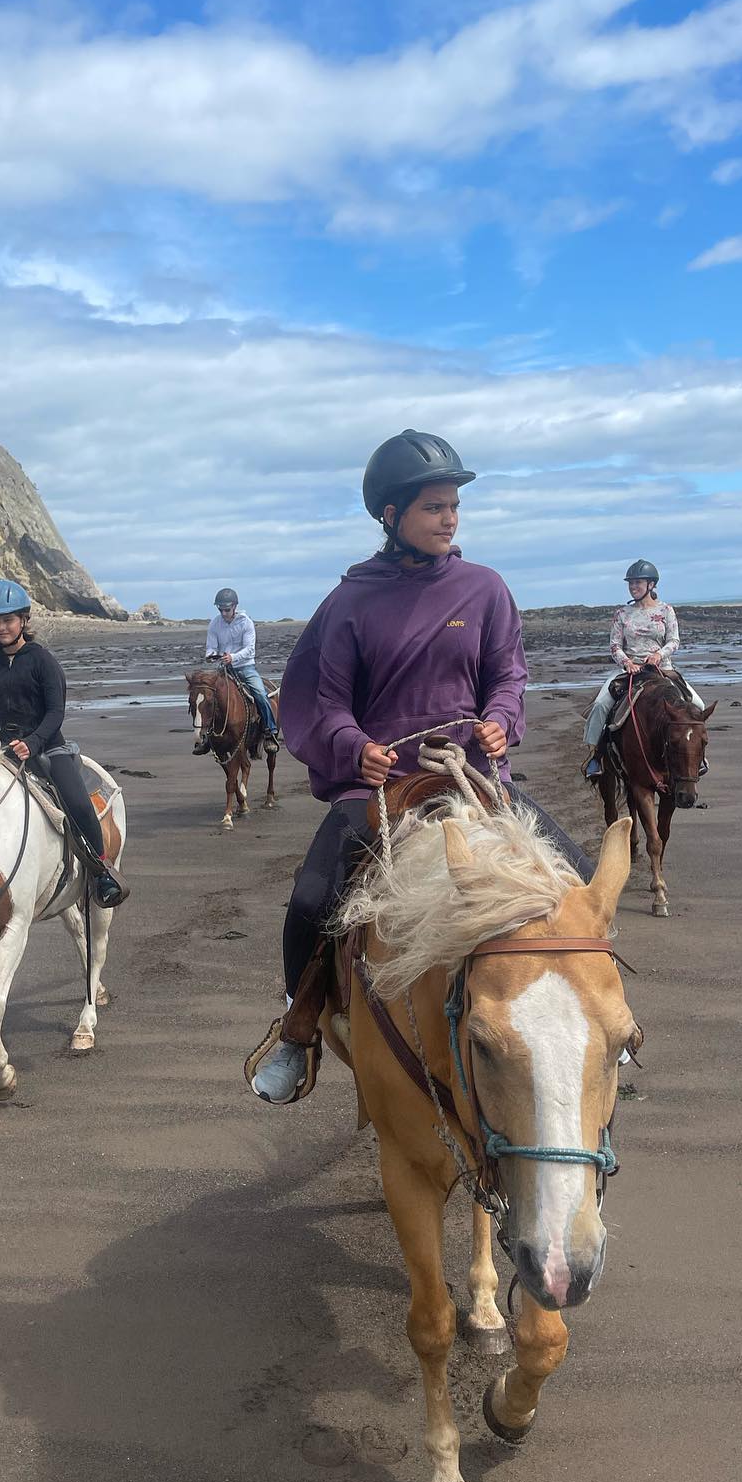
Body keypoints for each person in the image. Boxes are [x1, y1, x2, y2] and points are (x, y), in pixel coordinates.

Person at [249, 429, 592, 1105]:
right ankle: (298, 1027)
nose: (449, 518)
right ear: (390, 514)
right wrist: (355, 745)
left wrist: (500, 719)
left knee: (577, 878)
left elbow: (508, 675)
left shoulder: (485, 590)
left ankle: (586, 1030)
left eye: (453, 505)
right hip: (382, 785)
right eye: (434, 506)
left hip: (471, 778)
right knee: (311, 902)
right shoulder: (350, 601)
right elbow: (323, 699)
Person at [0, 578, 128, 908]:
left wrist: (34, 741)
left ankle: (101, 871)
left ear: (24, 620)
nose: (1, 627)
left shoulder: (42, 661)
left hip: (49, 745)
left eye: (8, 620)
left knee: (79, 803)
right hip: (1, 748)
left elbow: (56, 712)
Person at [583, 560, 706, 778]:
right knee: (601, 705)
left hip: (662, 669)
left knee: (698, 704)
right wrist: (627, 662)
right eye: (630, 583)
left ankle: (699, 755)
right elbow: (614, 645)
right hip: (630, 670)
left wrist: (659, 655)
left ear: (651, 585)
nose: (633, 587)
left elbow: (674, 641)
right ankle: (595, 756)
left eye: (637, 582)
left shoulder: (666, 611)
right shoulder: (622, 614)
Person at [195, 587, 279, 753]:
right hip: (223, 667)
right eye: (221, 609)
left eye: (227, 609)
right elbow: (211, 647)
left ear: (234, 606)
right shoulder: (214, 623)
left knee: (260, 693)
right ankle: (207, 738)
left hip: (245, 666)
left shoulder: (246, 622)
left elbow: (249, 649)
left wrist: (233, 657)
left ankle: (270, 731)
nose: (224, 613)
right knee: (208, 696)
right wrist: (211, 655)